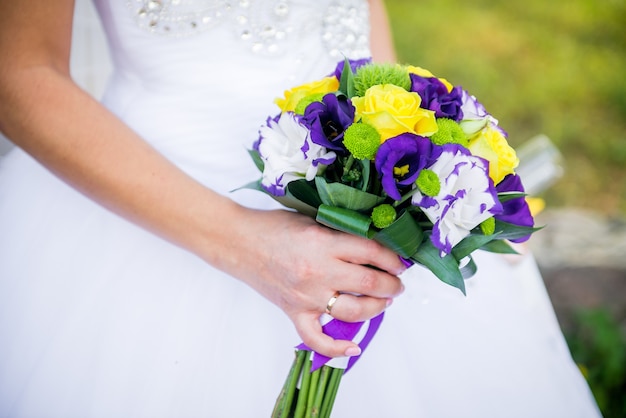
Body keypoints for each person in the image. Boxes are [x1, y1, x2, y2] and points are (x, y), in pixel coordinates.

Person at [0, 1, 601, 417]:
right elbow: (19, 72)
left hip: (355, 170)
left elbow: (362, 28)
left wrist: (419, 160)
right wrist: (247, 242)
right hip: (153, 204)